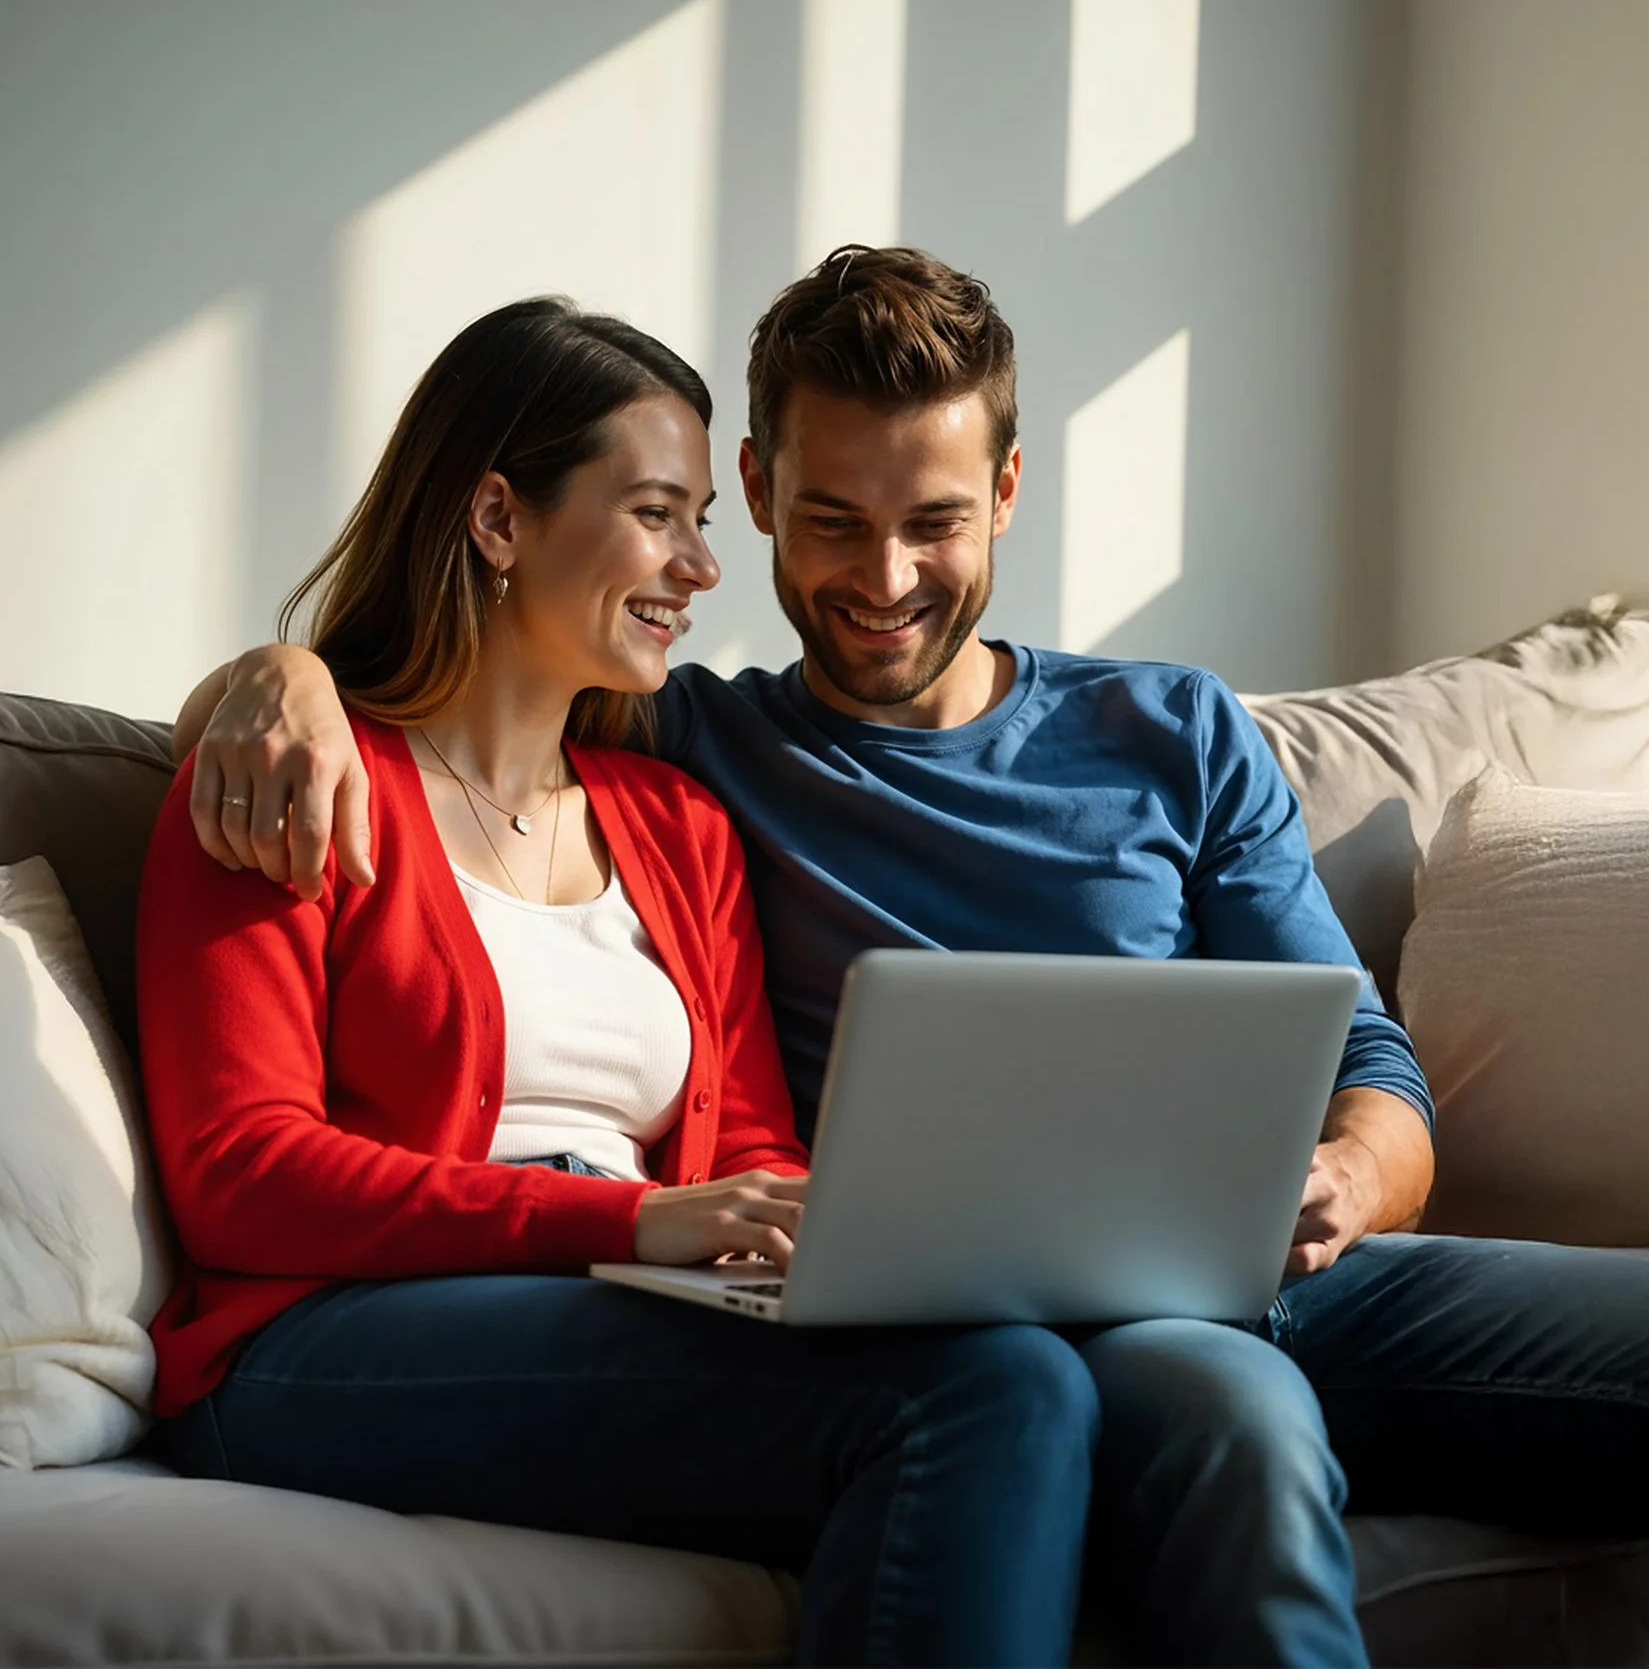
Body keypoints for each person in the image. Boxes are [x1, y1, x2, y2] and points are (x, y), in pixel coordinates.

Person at [179, 248, 1649, 1666]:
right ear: (766, 488)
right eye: (831, 522)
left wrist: (1343, 1184)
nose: (886, 580)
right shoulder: (698, 743)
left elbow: (1361, 1058)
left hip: (1256, 1265)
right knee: (1193, 1425)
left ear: (1007, 487)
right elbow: (415, 705)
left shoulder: (1141, 738)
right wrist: (280, 672)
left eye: (936, 523)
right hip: (988, 1330)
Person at [138, 296, 1100, 1669]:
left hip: (615, 1298)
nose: (706, 566)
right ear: (496, 518)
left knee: (1021, 1365)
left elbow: (753, 1139)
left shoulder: (677, 823)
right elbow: (240, 1169)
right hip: (318, 1344)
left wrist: (809, 1233)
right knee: (981, 1394)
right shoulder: (294, 782)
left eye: (706, 515)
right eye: (659, 513)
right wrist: (635, 1220)